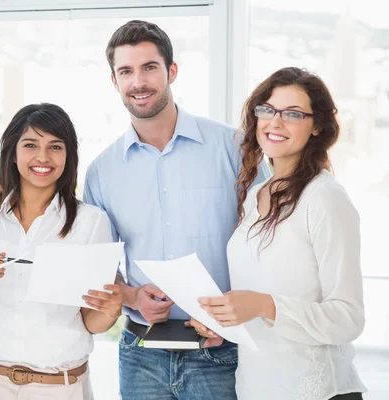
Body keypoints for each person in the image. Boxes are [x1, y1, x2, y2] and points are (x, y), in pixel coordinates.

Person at [83, 20, 271, 400]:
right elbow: (96, 268)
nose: (139, 82)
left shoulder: (234, 149)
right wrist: (134, 298)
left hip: (220, 349)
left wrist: (234, 319)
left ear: (171, 71)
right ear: (114, 81)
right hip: (141, 355)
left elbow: (267, 244)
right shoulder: (101, 171)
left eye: (149, 67)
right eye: (126, 71)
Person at [194, 67, 367, 400]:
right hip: (256, 388)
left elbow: (349, 318)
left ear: (317, 127)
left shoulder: (325, 199)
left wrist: (264, 305)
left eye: (292, 114)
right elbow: (261, 300)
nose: (274, 122)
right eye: (267, 110)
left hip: (318, 392)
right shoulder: (253, 194)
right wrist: (225, 324)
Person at [0, 103, 122, 400]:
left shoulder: (91, 222)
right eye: (30, 144)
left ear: (68, 155)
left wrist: (110, 312)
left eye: (55, 146)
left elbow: (92, 322)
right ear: (13, 152)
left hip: (60, 386)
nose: (43, 157)